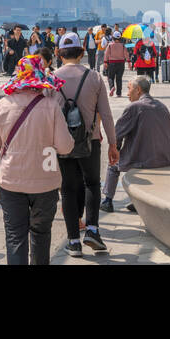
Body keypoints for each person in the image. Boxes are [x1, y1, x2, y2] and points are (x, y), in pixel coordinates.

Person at [0, 55, 73, 266]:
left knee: (15, 236)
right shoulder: (52, 105)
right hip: (45, 183)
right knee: (41, 235)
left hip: (11, 181)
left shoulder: (2, 104)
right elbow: (65, 146)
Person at [55, 33, 119, 257]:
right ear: (82, 53)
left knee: (68, 189)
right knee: (92, 183)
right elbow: (107, 115)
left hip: (62, 143)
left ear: (59, 53)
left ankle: (73, 242)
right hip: (90, 141)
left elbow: (46, 115)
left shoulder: (52, 78)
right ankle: (92, 229)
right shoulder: (94, 77)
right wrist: (113, 144)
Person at [101, 76, 170, 212]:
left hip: (142, 159)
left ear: (138, 90)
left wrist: (116, 149)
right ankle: (138, 201)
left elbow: (117, 133)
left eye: (129, 89)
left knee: (113, 164)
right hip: (164, 158)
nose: (127, 93)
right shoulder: (162, 106)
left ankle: (107, 200)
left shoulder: (135, 107)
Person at [103, 32, 127, 97]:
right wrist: (129, 61)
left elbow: (106, 54)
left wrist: (105, 62)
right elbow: (126, 54)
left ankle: (112, 87)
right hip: (121, 63)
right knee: (119, 78)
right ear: (120, 38)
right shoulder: (122, 45)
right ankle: (119, 93)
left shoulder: (110, 45)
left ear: (113, 37)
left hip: (112, 63)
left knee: (110, 77)